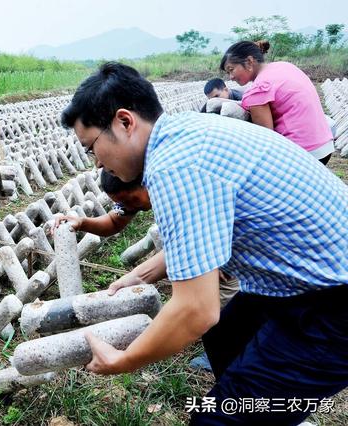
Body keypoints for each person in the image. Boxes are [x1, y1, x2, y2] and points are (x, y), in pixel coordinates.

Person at [61, 62, 348, 424]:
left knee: (215, 419)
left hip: (333, 301)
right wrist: (139, 277)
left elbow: (196, 310)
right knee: (225, 332)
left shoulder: (175, 167)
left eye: (92, 148)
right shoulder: (184, 134)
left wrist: (126, 360)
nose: (96, 162)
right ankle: (273, 409)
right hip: (311, 277)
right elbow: (201, 240)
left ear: (124, 122)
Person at [53, 168, 238, 372]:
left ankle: (229, 354)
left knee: (224, 312)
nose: (129, 207)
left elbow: (195, 307)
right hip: (209, 247)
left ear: (145, 183)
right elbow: (114, 221)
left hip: (234, 252)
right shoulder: (131, 196)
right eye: (122, 203)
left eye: (132, 200)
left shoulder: (178, 197)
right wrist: (83, 223)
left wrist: (130, 358)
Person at [221, 40, 334, 164]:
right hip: (325, 142)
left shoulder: (257, 90)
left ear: (249, 62)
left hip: (303, 151)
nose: (230, 77)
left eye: (231, 70)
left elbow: (267, 138)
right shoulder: (284, 66)